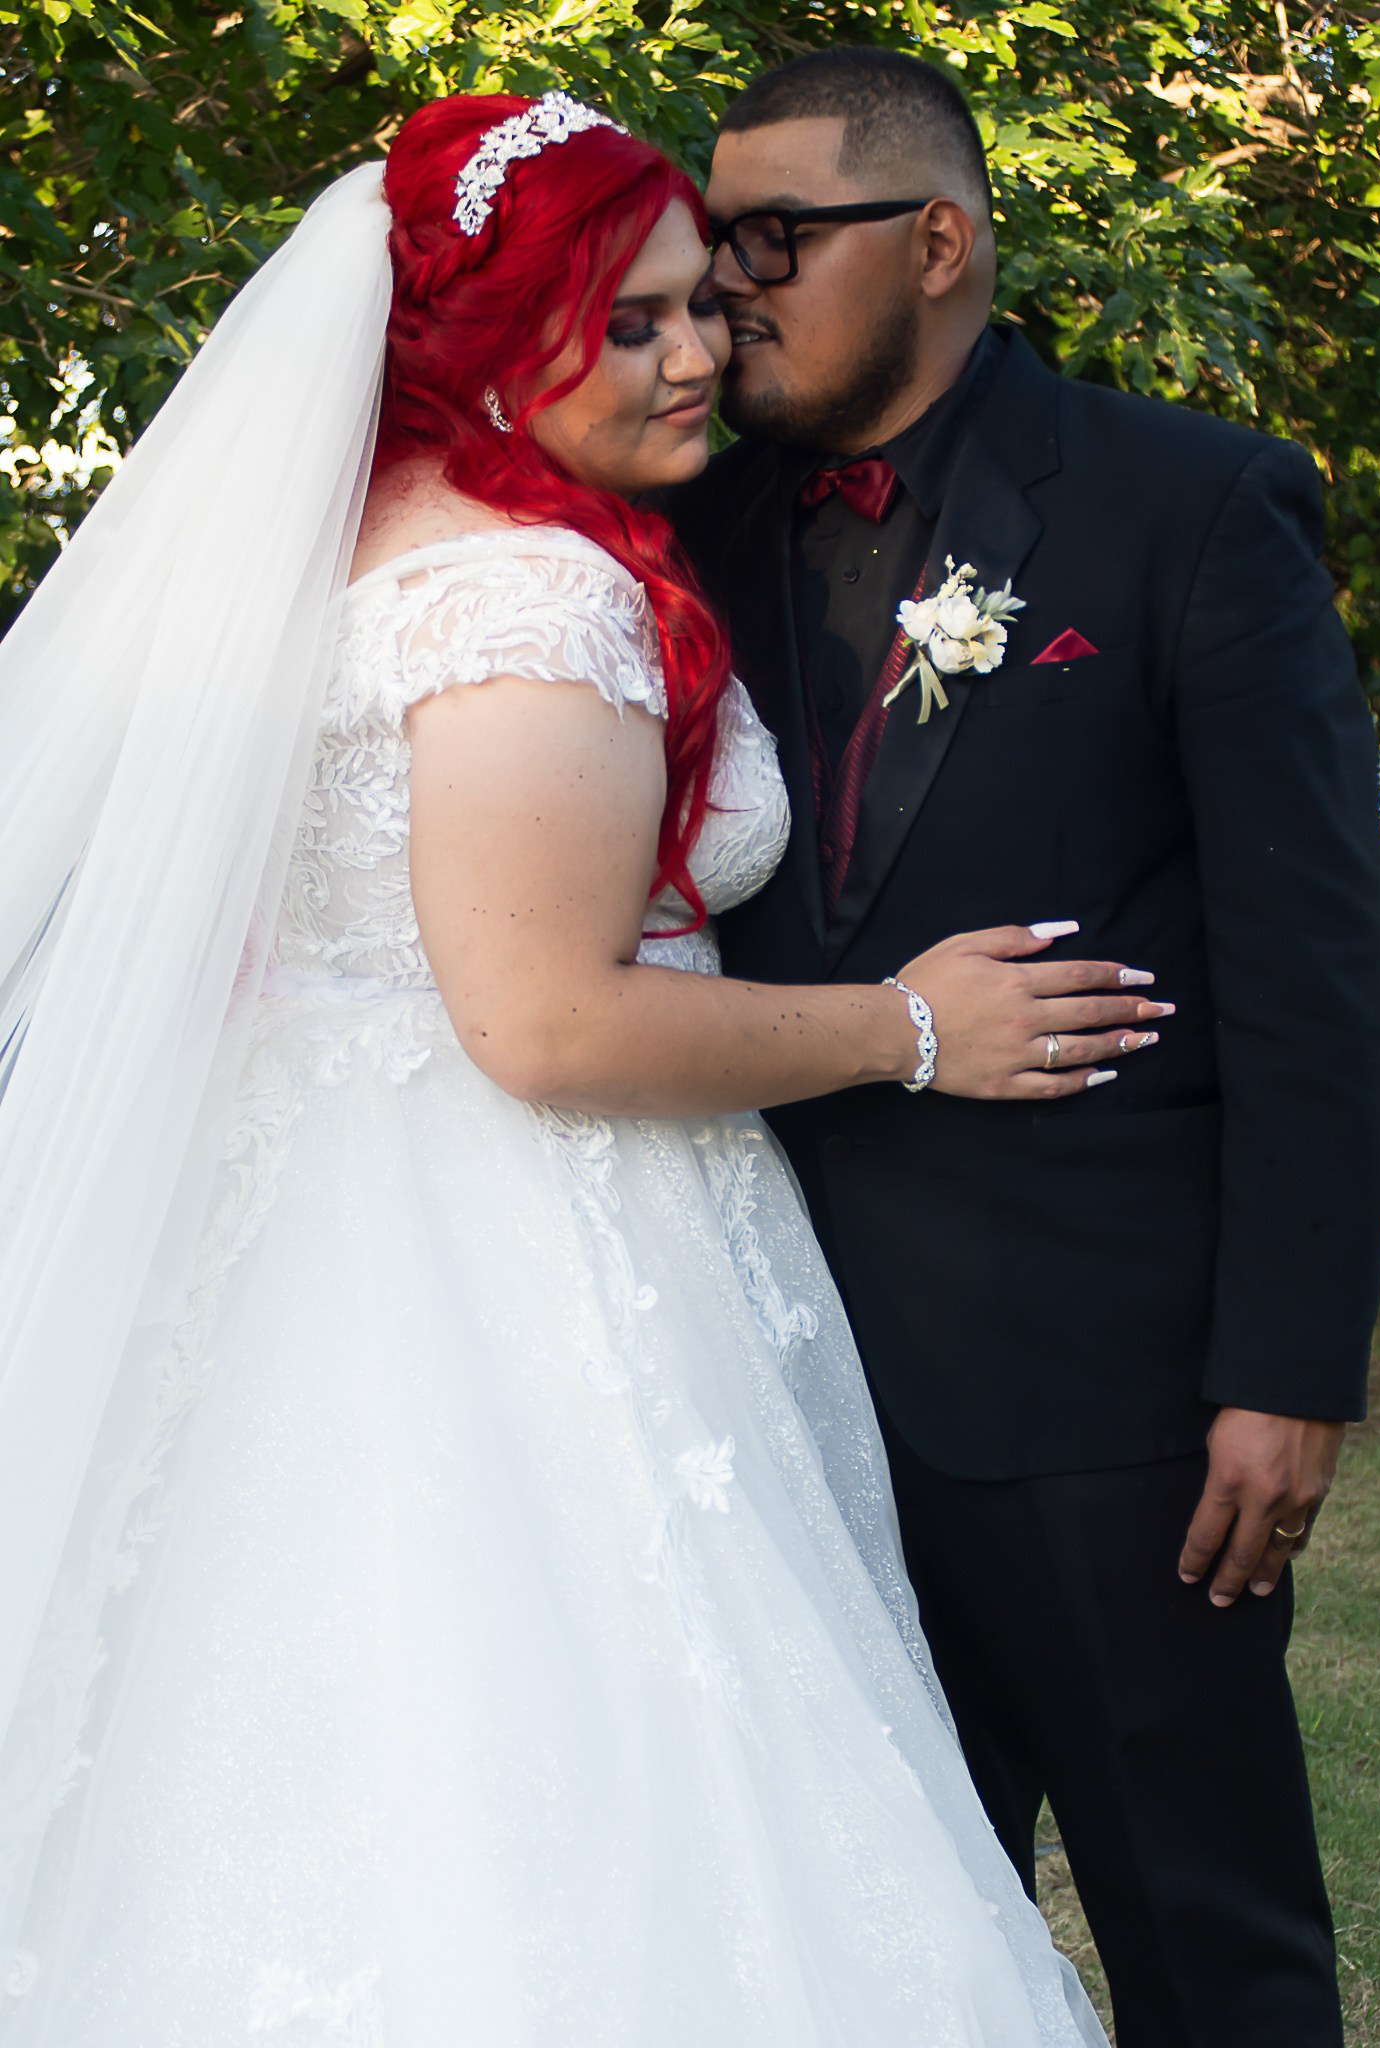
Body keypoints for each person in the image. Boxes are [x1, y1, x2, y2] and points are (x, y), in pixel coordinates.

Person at [0, 89, 1160, 2045]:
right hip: (516, 1265)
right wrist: (914, 1027)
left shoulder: (340, 560)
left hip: (309, 1242)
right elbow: (544, 1022)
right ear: (473, 337)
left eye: (703, 305)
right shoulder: (532, 601)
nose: (700, 352)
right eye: (627, 322)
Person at [666, 46, 1380, 2048]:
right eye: (714, 234)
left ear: (937, 242)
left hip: (1113, 1397)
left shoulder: (1186, 504)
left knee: (1208, 1935)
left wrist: (1283, 1367)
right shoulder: (683, 535)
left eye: (774, 238)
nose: (729, 280)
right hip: (778, 1373)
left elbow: (1315, 968)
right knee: (886, 1950)